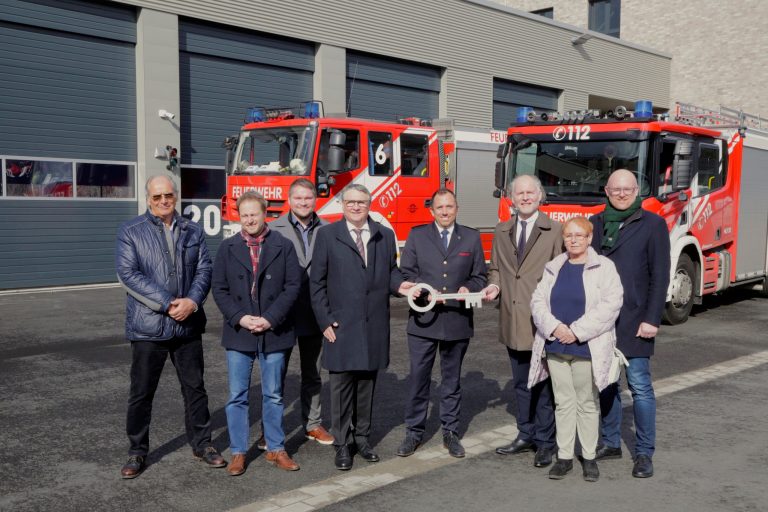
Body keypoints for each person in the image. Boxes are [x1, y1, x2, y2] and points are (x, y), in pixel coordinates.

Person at [115, 175, 225, 479]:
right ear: (148, 199)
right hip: (148, 326)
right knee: (141, 392)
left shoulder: (193, 230)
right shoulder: (131, 231)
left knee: (195, 389)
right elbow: (128, 274)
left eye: (168, 195)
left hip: (187, 324)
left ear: (175, 196)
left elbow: (205, 269)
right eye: (157, 196)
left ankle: (203, 444)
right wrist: (167, 303)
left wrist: (191, 301)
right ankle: (137, 452)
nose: (163, 201)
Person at [310, 183, 415, 470]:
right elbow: (316, 283)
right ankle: (343, 444)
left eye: (362, 202)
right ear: (343, 205)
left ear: (370, 205)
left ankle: (363, 439)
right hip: (340, 325)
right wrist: (323, 320)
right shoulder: (327, 235)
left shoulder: (385, 235)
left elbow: (392, 273)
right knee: (341, 388)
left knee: (367, 387)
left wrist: (402, 285)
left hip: (373, 325)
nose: (356, 207)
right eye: (351, 202)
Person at [211, 191, 302, 475]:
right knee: (237, 395)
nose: (250, 219)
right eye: (245, 214)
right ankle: (238, 452)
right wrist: (241, 318)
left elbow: (292, 287)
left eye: (255, 213)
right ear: (240, 216)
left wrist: (270, 319)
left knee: (273, 394)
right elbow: (220, 289)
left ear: (265, 215)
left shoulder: (283, 246)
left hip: (274, 331)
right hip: (240, 331)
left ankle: (276, 448)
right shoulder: (226, 248)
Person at [528, 217, 623, 482]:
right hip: (556, 344)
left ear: (590, 238)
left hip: (586, 346)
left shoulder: (604, 267)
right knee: (563, 402)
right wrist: (556, 328)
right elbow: (537, 302)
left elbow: (611, 305)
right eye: (569, 235)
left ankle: (589, 457)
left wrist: (576, 331)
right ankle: (565, 457)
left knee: (587, 402)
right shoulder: (553, 267)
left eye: (579, 235)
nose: (573, 240)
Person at [590, 169, 670, 478]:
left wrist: (652, 319)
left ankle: (644, 453)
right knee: (606, 384)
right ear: (607, 191)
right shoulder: (595, 224)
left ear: (637, 190)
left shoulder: (653, 225)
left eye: (628, 189)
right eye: (616, 189)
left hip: (637, 320)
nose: (622, 194)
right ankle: (610, 442)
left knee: (639, 386)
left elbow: (660, 275)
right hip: (602, 321)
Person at [397, 188, 487, 458]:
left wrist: (467, 288)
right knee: (418, 379)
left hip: (457, 320)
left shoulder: (471, 237)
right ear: (431, 211)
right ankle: (414, 432)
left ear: (456, 209)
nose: (445, 212)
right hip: (423, 321)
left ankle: (450, 430)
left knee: (451, 380)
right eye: (440, 208)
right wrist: (422, 291)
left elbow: (479, 276)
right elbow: (407, 274)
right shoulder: (417, 235)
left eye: (450, 207)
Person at [483, 174, 562, 468]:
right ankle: (525, 434)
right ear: (512, 199)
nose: (525, 197)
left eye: (530, 193)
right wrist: (494, 285)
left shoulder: (555, 231)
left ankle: (545, 442)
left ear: (540, 196)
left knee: (542, 383)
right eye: (520, 194)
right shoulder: (502, 229)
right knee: (520, 383)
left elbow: (561, 274)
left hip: (541, 320)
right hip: (511, 318)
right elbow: (496, 269)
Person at [270, 179, 334, 446]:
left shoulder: (330, 230)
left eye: (308, 198)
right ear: (289, 199)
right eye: (298, 198)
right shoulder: (273, 229)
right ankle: (271, 429)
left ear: (315, 199)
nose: (303, 202)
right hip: (282, 314)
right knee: (276, 376)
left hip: (315, 313)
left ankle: (313, 424)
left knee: (313, 373)